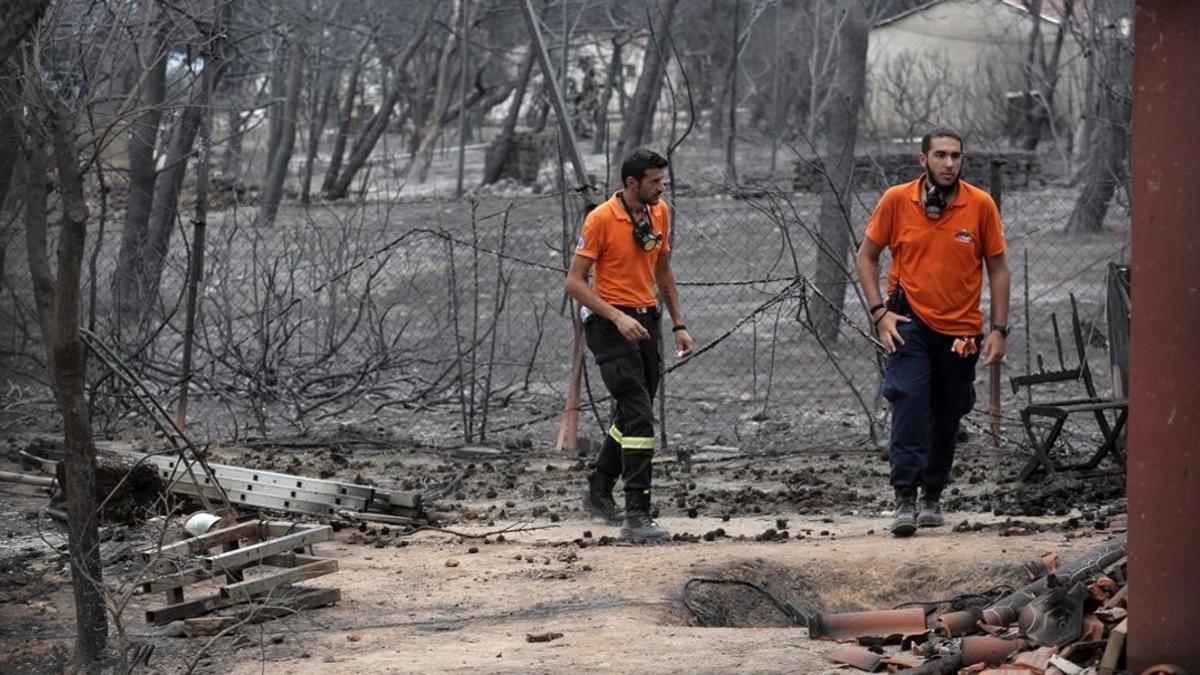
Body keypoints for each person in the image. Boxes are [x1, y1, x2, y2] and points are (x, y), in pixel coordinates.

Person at [855, 127, 1010, 537]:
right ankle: (904, 496)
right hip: (910, 323)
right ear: (923, 159)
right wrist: (879, 312)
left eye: (956, 156)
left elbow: (997, 268)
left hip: (962, 330)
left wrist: (999, 329)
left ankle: (933, 495)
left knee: (948, 410)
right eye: (940, 155)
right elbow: (867, 257)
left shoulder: (980, 205)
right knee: (908, 401)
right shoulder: (896, 200)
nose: (949, 163)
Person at [565, 148, 695, 541]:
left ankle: (600, 488)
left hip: (647, 320)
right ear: (631, 183)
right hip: (610, 324)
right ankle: (636, 513)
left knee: (632, 413)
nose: (662, 187)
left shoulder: (660, 212)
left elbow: (663, 269)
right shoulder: (602, 218)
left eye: (662, 180)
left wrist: (679, 325)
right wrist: (617, 317)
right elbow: (574, 283)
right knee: (639, 415)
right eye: (654, 181)